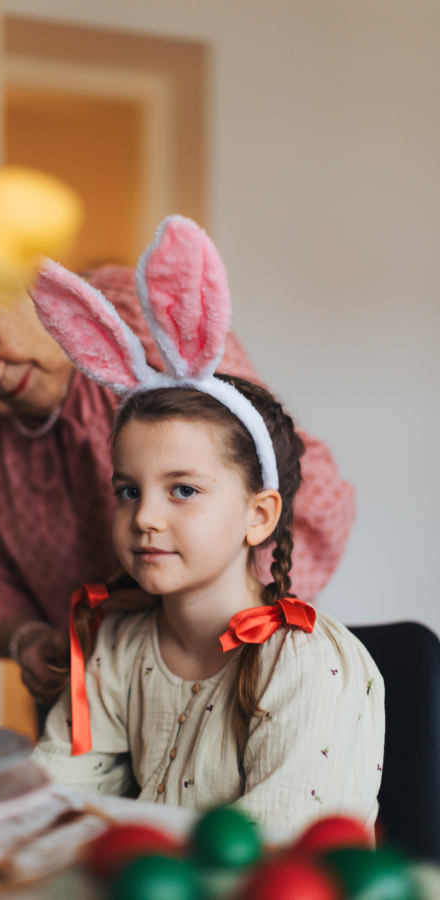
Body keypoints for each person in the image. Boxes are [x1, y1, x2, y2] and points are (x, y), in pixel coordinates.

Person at [0, 248, 354, 706]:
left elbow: (288, 484)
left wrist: (212, 626)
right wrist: (25, 638)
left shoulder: (136, 327)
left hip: (218, 658)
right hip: (91, 682)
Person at [28, 217, 383, 835]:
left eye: (184, 490)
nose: (144, 517)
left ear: (259, 516)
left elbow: (274, 852)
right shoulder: (119, 646)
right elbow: (51, 799)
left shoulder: (303, 666)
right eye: (128, 491)